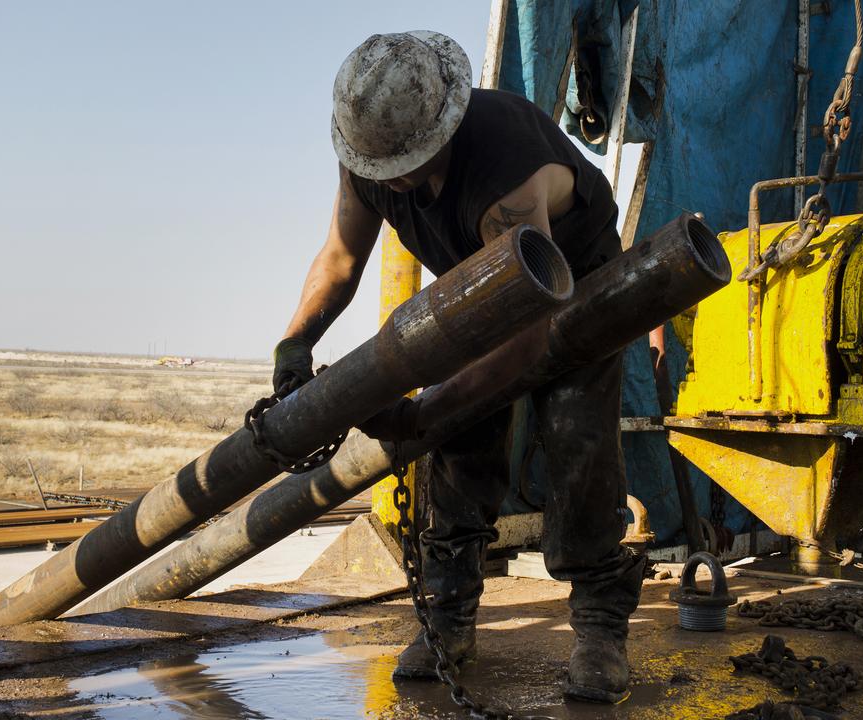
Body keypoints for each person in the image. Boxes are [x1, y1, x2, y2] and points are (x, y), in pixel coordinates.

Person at [273, 31, 645, 704]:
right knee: (462, 448)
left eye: (410, 165)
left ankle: (598, 628)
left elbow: (529, 339)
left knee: (574, 434)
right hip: (483, 279)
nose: (399, 183)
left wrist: (424, 410)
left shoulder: (506, 165)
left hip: (574, 275)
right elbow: (339, 259)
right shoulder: (370, 158)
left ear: (445, 126)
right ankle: (448, 620)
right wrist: (295, 343)